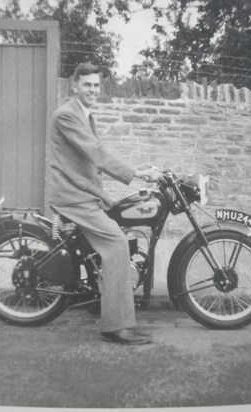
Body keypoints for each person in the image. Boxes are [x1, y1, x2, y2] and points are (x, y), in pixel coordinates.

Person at [49, 63, 161, 345]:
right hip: (74, 196)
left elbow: (91, 157)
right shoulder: (67, 115)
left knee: (117, 226)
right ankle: (116, 326)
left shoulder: (85, 115)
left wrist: (135, 168)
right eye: (87, 85)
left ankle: (99, 298)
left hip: (85, 192)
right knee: (116, 244)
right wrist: (135, 173)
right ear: (74, 86)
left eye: (97, 85)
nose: (93, 90)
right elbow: (96, 153)